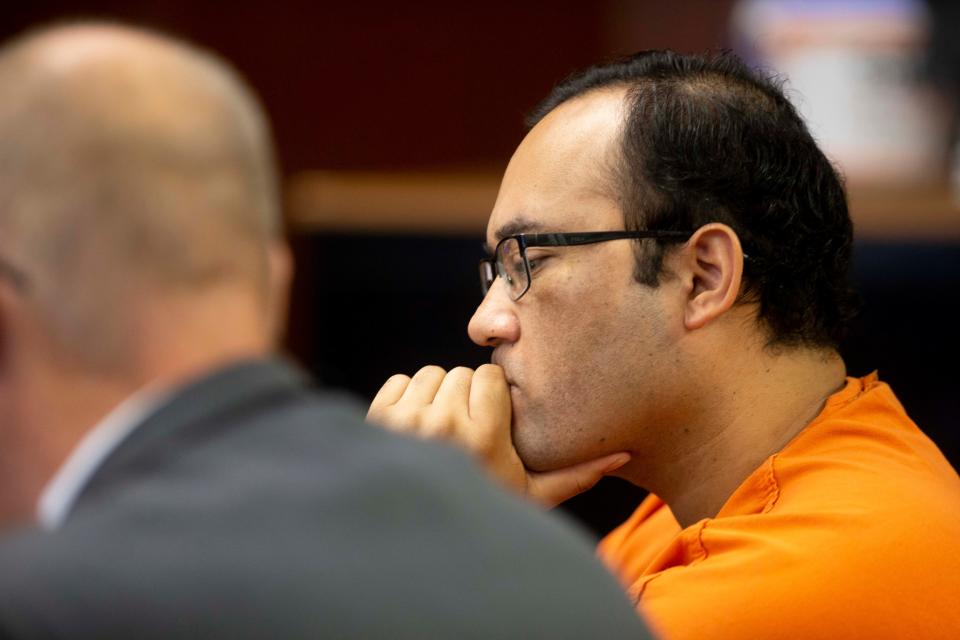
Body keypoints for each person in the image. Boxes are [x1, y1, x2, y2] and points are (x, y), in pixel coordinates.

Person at [0, 22, 653, 639]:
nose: (482, 324)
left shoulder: (37, 606)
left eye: (530, 261)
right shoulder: (580, 585)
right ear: (275, 278)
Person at [368, 50, 960, 638]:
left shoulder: (792, 584)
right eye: (495, 271)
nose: (485, 322)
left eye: (533, 258)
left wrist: (423, 548)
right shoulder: (688, 515)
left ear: (702, 276)